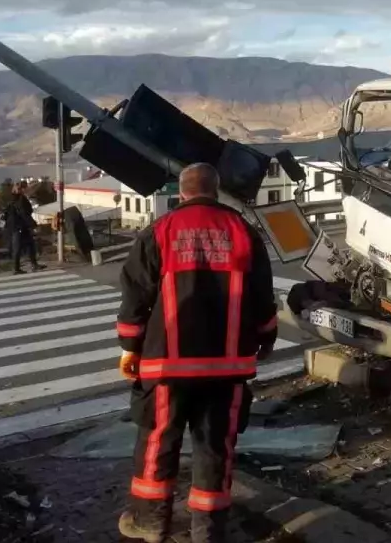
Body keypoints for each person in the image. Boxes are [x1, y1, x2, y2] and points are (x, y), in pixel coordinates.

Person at [116, 163, 278, 543]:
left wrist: (130, 347)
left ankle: (151, 522)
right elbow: (263, 297)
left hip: (167, 365)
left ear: (182, 193)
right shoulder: (243, 232)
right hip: (226, 367)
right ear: (216, 189)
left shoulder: (160, 231)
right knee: (215, 448)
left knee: (158, 442)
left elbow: (135, 296)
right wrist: (265, 338)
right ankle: (207, 532)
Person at [6, 181, 42, 275]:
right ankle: (16, 268)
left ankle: (33, 264)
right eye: (24, 188)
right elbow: (24, 214)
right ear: (21, 189)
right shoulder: (21, 199)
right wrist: (33, 225)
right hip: (19, 226)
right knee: (18, 247)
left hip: (17, 226)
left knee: (30, 245)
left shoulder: (13, 198)